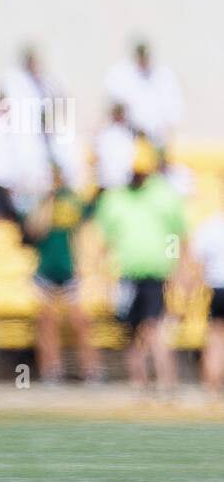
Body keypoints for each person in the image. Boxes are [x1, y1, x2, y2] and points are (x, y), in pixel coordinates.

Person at [92, 140, 188, 394]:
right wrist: (102, 273)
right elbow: (106, 240)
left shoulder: (164, 195)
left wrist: (177, 267)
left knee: (154, 327)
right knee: (131, 332)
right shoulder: (116, 198)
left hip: (154, 274)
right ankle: (139, 385)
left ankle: (167, 384)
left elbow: (177, 236)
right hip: (126, 274)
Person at [22, 168, 101, 384]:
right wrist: (46, 202)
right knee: (46, 322)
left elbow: (87, 225)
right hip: (44, 270)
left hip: (69, 269)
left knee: (80, 322)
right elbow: (34, 230)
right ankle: (51, 370)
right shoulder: (37, 203)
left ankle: (91, 370)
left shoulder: (73, 201)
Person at [104, 40, 182, 147]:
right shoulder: (120, 74)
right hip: (128, 134)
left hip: (157, 135)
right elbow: (116, 107)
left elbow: (173, 109)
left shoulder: (163, 76)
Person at [187, 185, 224, 396]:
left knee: (216, 338)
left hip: (217, 286)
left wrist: (196, 286)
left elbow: (197, 260)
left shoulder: (210, 225)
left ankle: (212, 387)